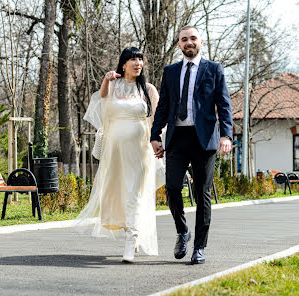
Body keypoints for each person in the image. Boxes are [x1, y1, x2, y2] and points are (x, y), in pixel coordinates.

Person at [150, 26, 233, 264]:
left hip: (204, 140)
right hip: (177, 138)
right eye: (184, 39)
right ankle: (182, 231)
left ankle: (199, 246)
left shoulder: (214, 69)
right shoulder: (171, 71)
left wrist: (226, 136)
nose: (189, 42)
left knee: (202, 192)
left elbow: (224, 105)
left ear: (201, 42)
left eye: (193, 38)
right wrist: (155, 135)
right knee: (173, 188)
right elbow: (163, 106)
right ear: (178, 44)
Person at [75, 47, 162, 263]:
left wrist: (158, 144)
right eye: (133, 59)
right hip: (114, 152)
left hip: (139, 151)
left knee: (134, 192)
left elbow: (158, 121)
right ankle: (131, 232)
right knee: (119, 192)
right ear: (123, 64)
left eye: (140, 59)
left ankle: (130, 243)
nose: (138, 63)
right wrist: (106, 79)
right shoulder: (113, 86)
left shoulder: (148, 90)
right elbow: (102, 99)